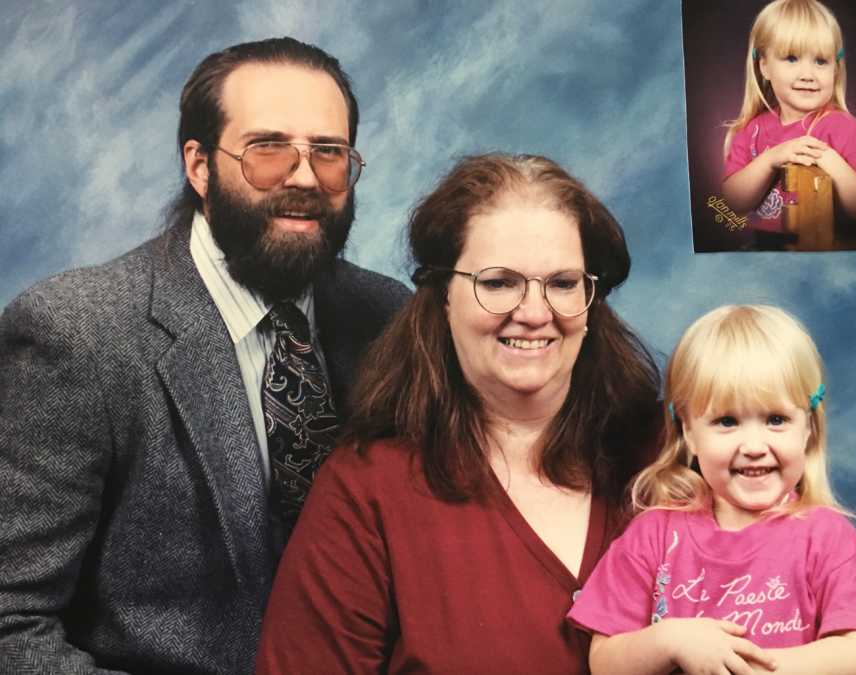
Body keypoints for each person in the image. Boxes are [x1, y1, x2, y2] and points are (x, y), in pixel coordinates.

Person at [0, 38, 409, 674]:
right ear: (198, 166)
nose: (303, 176)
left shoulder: (389, 317)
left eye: (328, 153)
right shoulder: (78, 333)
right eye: (267, 149)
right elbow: (10, 622)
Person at [253, 153, 662, 674]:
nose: (535, 313)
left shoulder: (673, 454)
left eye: (562, 283)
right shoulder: (369, 490)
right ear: (444, 295)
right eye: (498, 283)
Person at [568, 305, 856, 675]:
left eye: (776, 420)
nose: (754, 445)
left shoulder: (829, 538)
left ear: (809, 428)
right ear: (689, 433)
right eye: (727, 421)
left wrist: (760, 668)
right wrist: (672, 641)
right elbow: (604, 662)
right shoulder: (652, 536)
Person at [721, 0, 856, 244]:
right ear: (764, 66)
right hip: (763, 250)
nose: (808, 75)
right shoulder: (752, 130)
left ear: (836, 70)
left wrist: (830, 160)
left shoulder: (844, 129)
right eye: (791, 58)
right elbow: (734, 203)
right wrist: (770, 159)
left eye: (820, 61)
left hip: (826, 251)